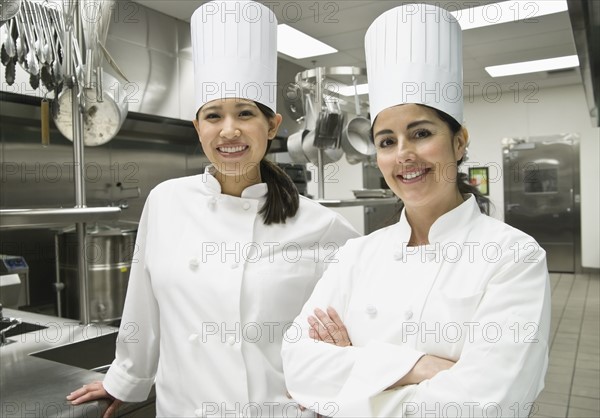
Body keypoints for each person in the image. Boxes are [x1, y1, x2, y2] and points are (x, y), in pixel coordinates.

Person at [66, 1, 359, 417]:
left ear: (272, 126)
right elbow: (143, 306)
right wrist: (126, 380)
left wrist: (342, 364)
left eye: (245, 113)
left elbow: (367, 319)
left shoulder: (324, 225)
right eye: (213, 116)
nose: (229, 130)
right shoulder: (166, 201)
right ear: (198, 127)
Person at [281, 4, 551, 417]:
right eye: (387, 141)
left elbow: (489, 405)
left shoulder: (514, 256)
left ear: (459, 142)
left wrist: (351, 381)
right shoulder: (358, 254)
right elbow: (299, 365)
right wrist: (420, 366)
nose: (403, 154)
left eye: (421, 133)